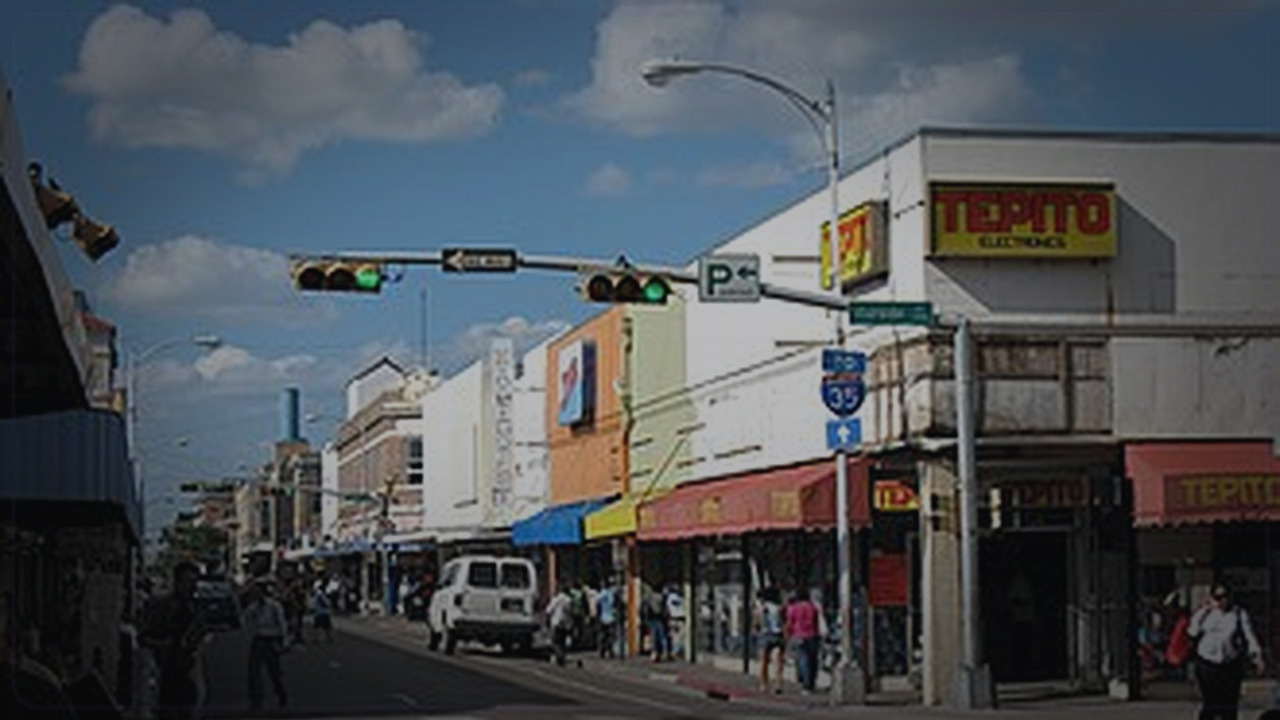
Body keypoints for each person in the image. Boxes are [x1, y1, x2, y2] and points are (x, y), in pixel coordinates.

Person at [140, 561, 207, 720]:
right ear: (177, 582)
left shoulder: (195, 607)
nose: (192, 587)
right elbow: (143, 637)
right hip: (166, 670)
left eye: (195, 582)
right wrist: (164, 644)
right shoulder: (161, 606)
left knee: (189, 709)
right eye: (188, 582)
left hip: (189, 669)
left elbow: (199, 635)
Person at [1187, 583, 1265, 720]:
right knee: (1211, 702)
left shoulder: (1238, 613)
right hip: (1207, 662)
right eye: (1218, 597)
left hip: (1230, 662)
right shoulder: (1205, 613)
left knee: (1229, 704)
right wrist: (1205, 611)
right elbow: (1192, 632)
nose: (1222, 601)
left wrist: (1256, 656)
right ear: (1212, 598)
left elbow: (1249, 635)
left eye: (1225, 597)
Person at [242, 580, 289, 711]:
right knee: (253, 671)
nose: (255, 594)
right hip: (258, 640)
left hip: (271, 639)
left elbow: (282, 623)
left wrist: (284, 641)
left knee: (274, 672)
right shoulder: (252, 607)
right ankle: (256, 700)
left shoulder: (274, 606)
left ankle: (281, 694)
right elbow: (245, 621)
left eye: (257, 592)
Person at [785, 587, 822, 693]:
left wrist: (788, 635)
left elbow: (790, 622)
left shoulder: (794, 608)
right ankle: (811, 681)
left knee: (802, 659)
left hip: (798, 635)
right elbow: (816, 621)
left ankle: (805, 683)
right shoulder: (813, 607)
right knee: (812, 659)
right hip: (812, 634)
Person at [756, 586, 786, 694]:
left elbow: (756, 623)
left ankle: (763, 684)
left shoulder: (761, 608)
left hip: (764, 634)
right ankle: (778, 684)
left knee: (763, 662)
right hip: (777, 634)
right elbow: (783, 621)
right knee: (777, 661)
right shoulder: (779, 608)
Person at [545, 585, 573, 667]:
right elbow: (570, 612)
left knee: (555, 641)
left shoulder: (556, 599)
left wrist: (547, 621)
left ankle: (559, 656)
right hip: (565, 623)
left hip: (556, 622)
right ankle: (561, 656)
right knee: (562, 641)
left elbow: (548, 610)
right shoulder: (569, 600)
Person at [594, 580, 619, 659]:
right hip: (611, 617)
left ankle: (602, 651)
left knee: (602, 636)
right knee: (610, 636)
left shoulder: (602, 593)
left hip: (603, 617)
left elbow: (596, 601)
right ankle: (610, 651)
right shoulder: (611, 593)